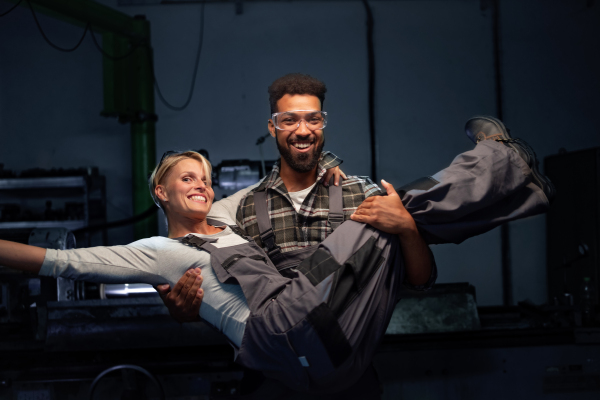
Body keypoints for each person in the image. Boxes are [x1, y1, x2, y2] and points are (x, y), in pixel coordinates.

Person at [158, 73, 554, 399]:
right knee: (416, 203)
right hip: (273, 372)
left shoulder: (358, 192)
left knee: (407, 209)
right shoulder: (239, 209)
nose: (302, 130)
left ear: (323, 123)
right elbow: (224, 299)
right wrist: (187, 311)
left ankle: (507, 168)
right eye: (290, 120)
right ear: (273, 127)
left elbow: (419, 280)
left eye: (312, 119)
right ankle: (508, 169)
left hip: (349, 357)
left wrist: (405, 230)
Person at [0, 150, 432, 396]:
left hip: (308, 325)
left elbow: (286, 180)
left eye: (205, 178)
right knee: (375, 218)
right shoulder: (160, 252)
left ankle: (494, 169)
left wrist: (324, 171)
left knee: (396, 217)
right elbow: (62, 262)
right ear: (160, 192)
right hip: (274, 346)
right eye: (187, 178)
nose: (201, 184)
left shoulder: (227, 219)